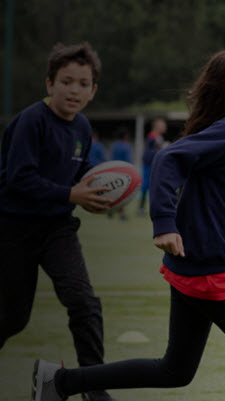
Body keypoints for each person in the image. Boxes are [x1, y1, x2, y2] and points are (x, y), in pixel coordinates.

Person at [32, 45, 225, 401]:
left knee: (175, 370)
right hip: (210, 272)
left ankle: (59, 383)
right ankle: (60, 383)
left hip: (193, 267)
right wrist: (164, 222)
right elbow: (168, 158)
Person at [0, 42, 118, 401]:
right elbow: (19, 178)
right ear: (49, 84)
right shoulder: (31, 121)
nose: (74, 90)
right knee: (12, 318)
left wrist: (98, 190)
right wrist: (71, 195)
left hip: (57, 229)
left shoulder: (82, 126)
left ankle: (93, 388)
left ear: (93, 91)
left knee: (84, 303)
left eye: (83, 84)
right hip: (13, 228)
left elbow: (78, 170)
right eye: (66, 81)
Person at [137, 118, 167, 216]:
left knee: (154, 187)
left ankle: (151, 208)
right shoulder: (152, 136)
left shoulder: (158, 137)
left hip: (155, 164)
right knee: (146, 186)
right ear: (157, 126)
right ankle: (141, 208)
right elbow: (157, 146)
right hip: (149, 165)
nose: (164, 127)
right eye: (162, 125)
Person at [108, 127, 134, 220]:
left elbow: (110, 158)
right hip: (124, 173)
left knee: (113, 192)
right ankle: (122, 213)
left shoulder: (114, 145)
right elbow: (128, 161)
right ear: (126, 136)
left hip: (113, 171)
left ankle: (110, 209)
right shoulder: (126, 146)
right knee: (123, 194)